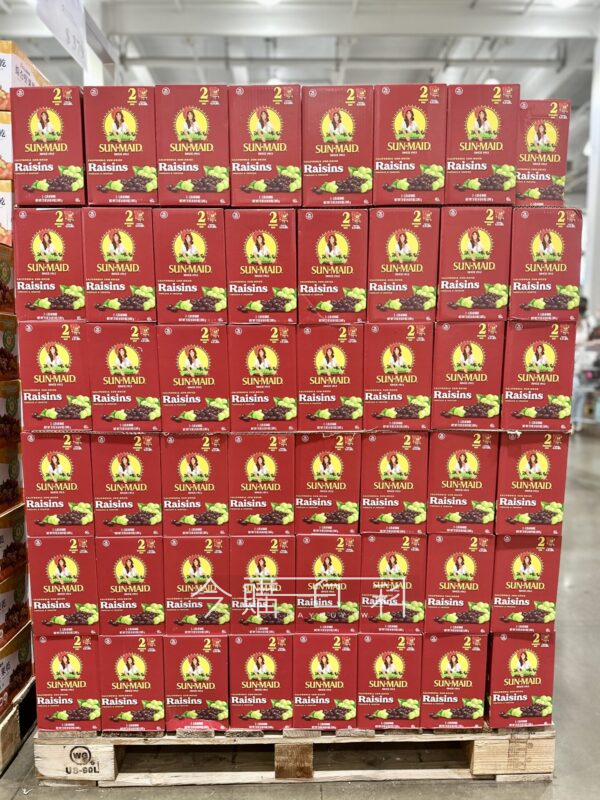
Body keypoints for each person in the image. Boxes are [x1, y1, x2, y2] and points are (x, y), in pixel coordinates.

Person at [573, 296, 599, 431]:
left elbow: (591, 339)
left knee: (582, 393)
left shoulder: (587, 323)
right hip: (573, 364)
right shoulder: (571, 325)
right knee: (574, 392)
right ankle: (571, 419)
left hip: (584, 362)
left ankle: (577, 421)